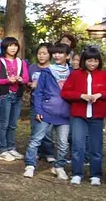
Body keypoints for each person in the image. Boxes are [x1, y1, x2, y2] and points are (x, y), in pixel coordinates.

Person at [61, 45, 106, 186]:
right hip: (79, 115)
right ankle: (77, 173)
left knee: (96, 146)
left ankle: (95, 175)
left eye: (95, 61)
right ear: (84, 61)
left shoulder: (105, 75)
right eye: (90, 61)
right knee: (78, 145)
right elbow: (65, 93)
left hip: (96, 116)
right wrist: (81, 96)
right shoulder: (75, 75)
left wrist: (100, 95)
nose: (92, 64)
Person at [24, 43, 72, 180]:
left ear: (67, 56)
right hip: (46, 111)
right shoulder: (46, 72)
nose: (57, 55)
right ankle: (30, 165)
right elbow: (38, 93)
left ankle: (59, 166)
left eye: (61, 53)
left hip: (65, 114)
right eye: (55, 53)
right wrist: (39, 109)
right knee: (36, 139)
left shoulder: (72, 73)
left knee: (63, 143)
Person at [0, 37, 29, 160]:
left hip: (17, 96)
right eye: (10, 46)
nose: (13, 48)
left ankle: (11, 148)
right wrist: (7, 80)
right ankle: (3, 149)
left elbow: (26, 78)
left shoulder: (21, 62)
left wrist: (21, 80)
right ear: (5, 47)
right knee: (4, 123)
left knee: (13, 124)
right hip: (5, 95)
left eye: (15, 45)